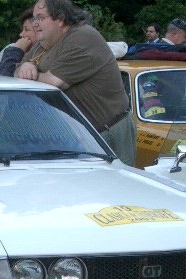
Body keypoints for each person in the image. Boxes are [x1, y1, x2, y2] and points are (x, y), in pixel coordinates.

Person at [14, 0, 135, 166]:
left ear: (60, 19)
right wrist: (25, 66)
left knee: (115, 180)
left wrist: (30, 74)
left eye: (40, 18)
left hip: (108, 132)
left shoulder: (82, 37)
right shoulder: (44, 43)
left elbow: (54, 82)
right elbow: (17, 70)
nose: (35, 23)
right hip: (78, 134)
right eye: (34, 18)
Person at [0, 8, 36, 76]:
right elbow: (2, 78)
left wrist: (15, 51)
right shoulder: (12, 48)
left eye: (26, 29)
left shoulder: (46, 53)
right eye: (22, 29)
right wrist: (17, 50)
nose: (21, 34)